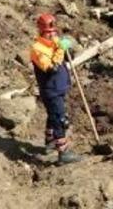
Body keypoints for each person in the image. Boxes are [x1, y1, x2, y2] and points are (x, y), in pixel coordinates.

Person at [29, 13, 81, 165]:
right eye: (49, 32)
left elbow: (66, 54)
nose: (52, 35)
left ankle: (50, 140)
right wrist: (60, 50)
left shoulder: (55, 42)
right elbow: (52, 68)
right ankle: (63, 153)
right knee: (60, 119)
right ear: (41, 32)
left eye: (54, 31)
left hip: (59, 87)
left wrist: (66, 47)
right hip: (51, 90)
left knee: (53, 115)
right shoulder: (37, 49)